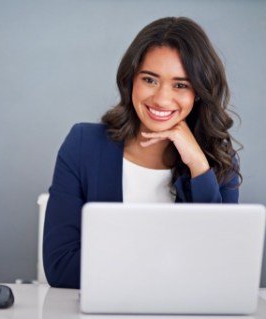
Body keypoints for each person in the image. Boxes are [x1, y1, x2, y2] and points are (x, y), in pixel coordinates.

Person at [43, 16, 242, 289]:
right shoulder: (83, 145)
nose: (161, 98)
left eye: (181, 85)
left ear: (198, 92)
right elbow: (61, 267)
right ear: (130, 81)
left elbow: (219, 271)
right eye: (150, 79)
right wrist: (170, 270)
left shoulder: (219, 161)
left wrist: (198, 166)